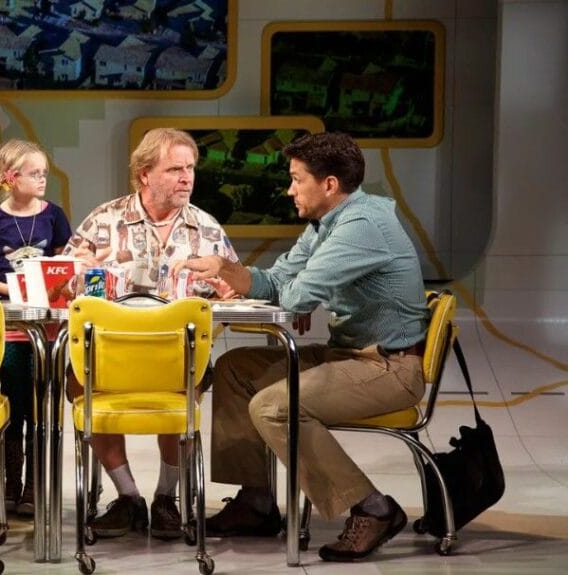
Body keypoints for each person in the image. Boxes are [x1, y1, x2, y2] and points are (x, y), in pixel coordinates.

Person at [178, 132, 429, 562]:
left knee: (273, 407)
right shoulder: (327, 224)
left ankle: (373, 507)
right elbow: (277, 281)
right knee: (236, 369)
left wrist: (258, 281)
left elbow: (296, 298)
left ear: (329, 184)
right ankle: (257, 502)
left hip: (389, 368)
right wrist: (226, 271)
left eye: (297, 180)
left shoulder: (361, 226)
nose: (289, 190)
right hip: (348, 354)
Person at [63, 128, 239, 540]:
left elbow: (233, 288)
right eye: (175, 169)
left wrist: (227, 289)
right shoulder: (104, 220)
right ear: (144, 174)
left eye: (190, 168)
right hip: (110, 359)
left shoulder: (206, 228)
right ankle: (128, 497)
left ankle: (165, 498)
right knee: (78, 379)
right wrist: (81, 272)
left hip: (175, 361)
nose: (186, 177)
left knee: (183, 382)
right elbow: (64, 286)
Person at [0, 139, 73, 516]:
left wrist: (54, 284)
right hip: (10, 325)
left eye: (44, 173)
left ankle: (34, 486)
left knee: (40, 405)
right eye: (34, 173)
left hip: (45, 327)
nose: (42, 179)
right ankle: (12, 483)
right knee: (13, 402)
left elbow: (65, 265)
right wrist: (11, 289)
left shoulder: (54, 215)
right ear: (12, 178)